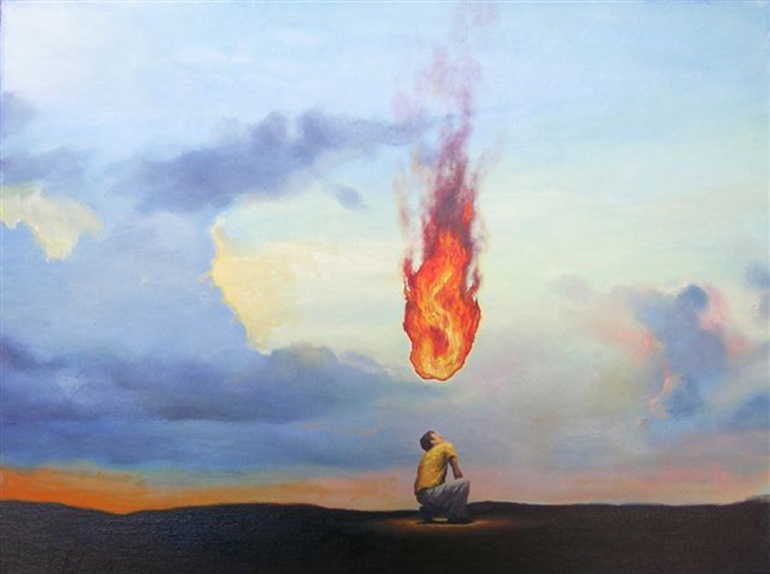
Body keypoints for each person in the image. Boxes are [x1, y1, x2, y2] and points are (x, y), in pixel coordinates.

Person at [413, 430, 471, 524]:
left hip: (420, 496)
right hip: (432, 493)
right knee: (464, 483)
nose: (440, 436)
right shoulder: (445, 446)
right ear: (432, 441)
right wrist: (459, 484)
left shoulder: (424, 456)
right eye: (436, 435)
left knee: (447, 495)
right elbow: (455, 469)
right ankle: (456, 517)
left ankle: (428, 510)